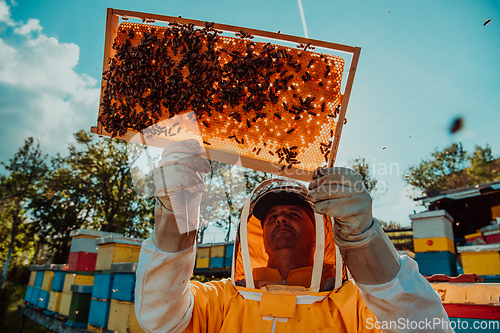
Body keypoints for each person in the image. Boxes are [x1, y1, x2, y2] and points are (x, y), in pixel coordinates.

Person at [135, 139, 453, 333]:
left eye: (294, 214)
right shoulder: (222, 300)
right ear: (256, 234)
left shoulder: (355, 306)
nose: (281, 219)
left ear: (321, 233)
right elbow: (159, 318)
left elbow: (424, 326)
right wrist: (176, 209)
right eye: (272, 217)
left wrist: (363, 236)